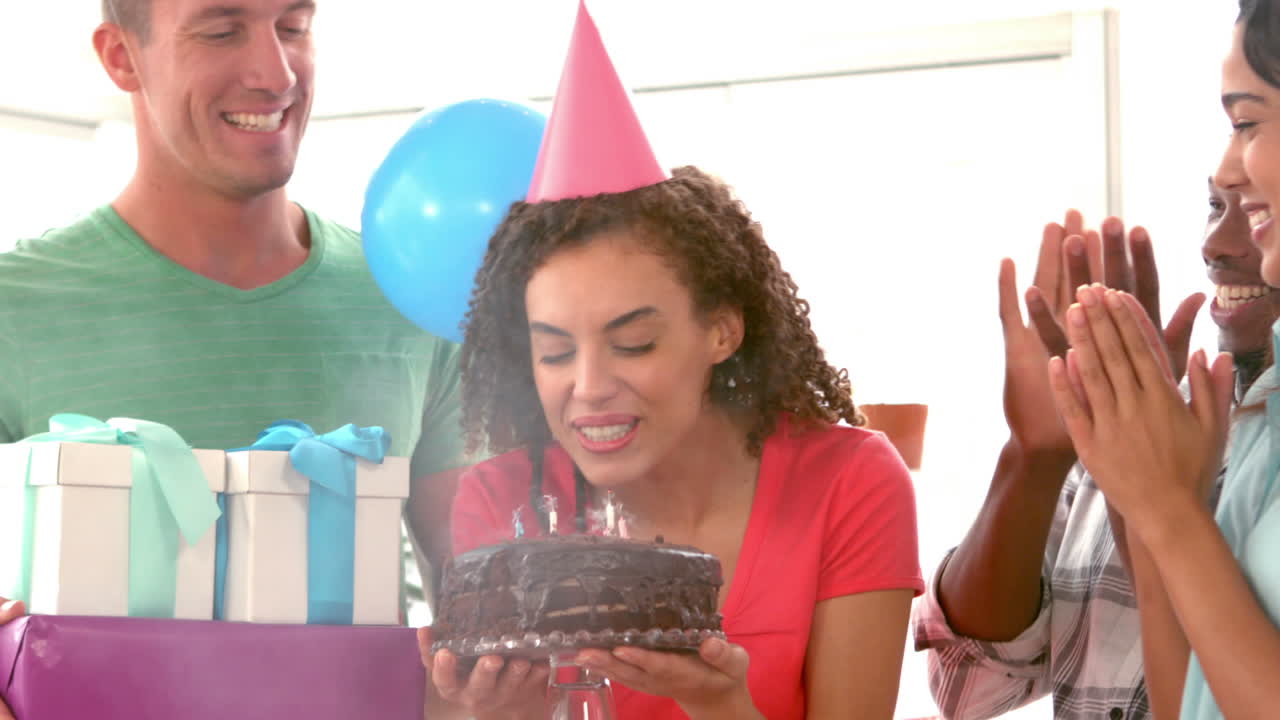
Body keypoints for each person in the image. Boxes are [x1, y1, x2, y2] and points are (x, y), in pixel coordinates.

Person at [0, 3, 467, 716]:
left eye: (293, 25)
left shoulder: (409, 299)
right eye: (221, 30)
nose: (275, 73)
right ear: (122, 57)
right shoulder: (15, 307)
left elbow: (488, 631)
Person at [419, 162, 924, 720]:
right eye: (556, 353)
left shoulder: (849, 481)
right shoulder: (504, 499)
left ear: (722, 330)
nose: (588, 389)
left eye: (634, 343)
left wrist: (720, 704)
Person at [914, 181, 1280, 720]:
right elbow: (968, 688)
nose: (1217, 244)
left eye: (1258, 208)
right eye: (1215, 205)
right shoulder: (1128, 422)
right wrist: (1035, 456)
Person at [1050, 1, 1280, 716]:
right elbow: (1196, 702)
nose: (1229, 169)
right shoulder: (1269, 400)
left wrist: (1170, 511)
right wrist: (1149, 502)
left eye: (1248, 122)